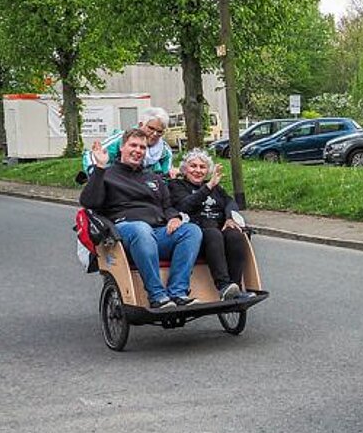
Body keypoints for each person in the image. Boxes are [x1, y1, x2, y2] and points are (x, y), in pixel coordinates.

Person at [80, 127, 202, 308]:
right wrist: (99, 168)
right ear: (122, 147)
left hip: (157, 232)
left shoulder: (153, 178)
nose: (138, 151)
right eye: (133, 145)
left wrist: (174, 218)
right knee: (140, 228)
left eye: (142, 148)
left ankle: (178, 291)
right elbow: (89, 202)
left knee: (191, 230)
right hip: (124, 233)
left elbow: (167, 207)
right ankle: (157, 295)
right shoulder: (107, 175)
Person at [168, 149, 248, 300]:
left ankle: (236, 287)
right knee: (213, 234)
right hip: (198, 231)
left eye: (202, 167)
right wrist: (208, 187)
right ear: (185, 169)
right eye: (193, 166)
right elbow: (185, 205)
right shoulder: (177, 185)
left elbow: (230, 202)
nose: (198, 170)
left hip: (218, 226)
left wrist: (230, 217)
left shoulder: (216, 188)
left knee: (235, 235)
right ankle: (223, 285)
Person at [82, 107, 177, 178]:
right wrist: (96, 175)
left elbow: (166, 175)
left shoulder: (165, 151)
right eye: (151, 128)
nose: (154, 134)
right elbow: (93, 156)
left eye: (159, 131)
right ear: (141, 125)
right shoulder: (121, 138)